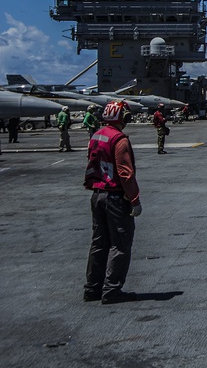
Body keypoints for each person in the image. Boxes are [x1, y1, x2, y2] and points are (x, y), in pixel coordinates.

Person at [83, 100, 141, 304]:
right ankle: (112, 290)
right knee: (120, 244)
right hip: (115, 197)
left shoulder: (96, 136)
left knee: (99, 243)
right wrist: (135, 200)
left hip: (97, 195)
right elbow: (125, 174)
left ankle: (92, 289)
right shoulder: (119, 139)